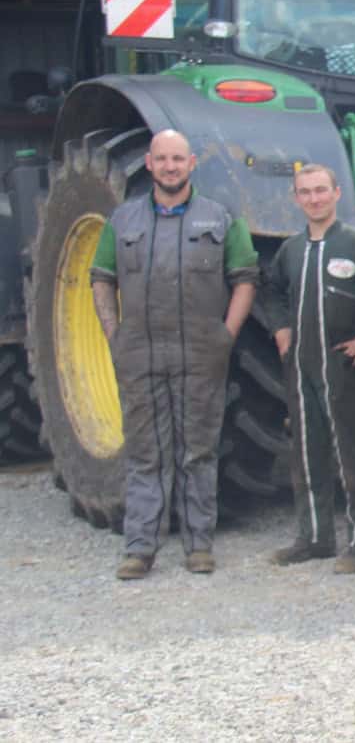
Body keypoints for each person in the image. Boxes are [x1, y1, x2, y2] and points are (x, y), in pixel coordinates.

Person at [91, 129, 258, 580]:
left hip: (202, 353)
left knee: (198, 450)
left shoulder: (221, 218)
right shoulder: (122, 221)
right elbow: (101, 277)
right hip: (140, 354)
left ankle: (198, 543)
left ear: (191, 163)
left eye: (177, 159)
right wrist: (114, 335)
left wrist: (227, 333)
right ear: (149, 163)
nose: (169, 167)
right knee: (145, 452)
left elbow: (245, 277)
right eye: (161, 159)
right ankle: (140, 547)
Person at [264, 164, 355, 573]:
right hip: (300, 366)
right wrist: (280, 328)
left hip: (342, 366)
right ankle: (314, 538)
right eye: (305, 192)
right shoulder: (291, 250)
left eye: (321, 190)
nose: (314, 198)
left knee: (353, 452)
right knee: (307, 451)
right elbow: (273, 290)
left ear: (337, 194)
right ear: (296, 199)